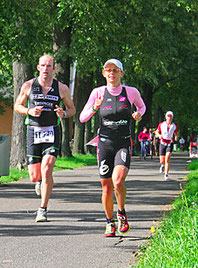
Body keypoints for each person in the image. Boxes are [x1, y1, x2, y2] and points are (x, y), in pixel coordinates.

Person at [79, 58, 146, 237]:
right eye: (108, 70)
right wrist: (95, 107)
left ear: (121, 73)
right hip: (105, 144)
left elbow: (142, 106)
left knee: (118, 180)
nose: (112, 73)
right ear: (103, 73)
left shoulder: (131, 92)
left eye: (115, 70)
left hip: (123, 142)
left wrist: (139, 115)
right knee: (107, 187)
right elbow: (82, 117)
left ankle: (121, 213)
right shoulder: (98, 92)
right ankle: (110, 223)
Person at [14, 54, 76, 222]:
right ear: (38, 67)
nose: (46, 69)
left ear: (53, 69)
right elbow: (17, 106)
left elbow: (72, 109)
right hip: (33, 132)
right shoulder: (28, 86)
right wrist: (29, 111)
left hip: (52, 131)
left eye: (49, 66)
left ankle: (42, 209)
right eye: (43, 65)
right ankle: (39, 181)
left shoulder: (61, 88)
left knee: (47, 168)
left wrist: (63, 113)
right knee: (35, 175)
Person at [155, 111, 178, 180]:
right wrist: (159, 135)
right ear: (166, 117)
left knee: (167, 158)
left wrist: (176, 137)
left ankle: (166, 174)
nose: (169, 118)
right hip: (162, 142)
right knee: (162, 160)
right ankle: (162, 165)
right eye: (168, 116)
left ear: (172, 117)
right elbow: (156, 131)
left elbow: (176, 133)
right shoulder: (161, 124)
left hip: (169, 143)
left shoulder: (174, 126)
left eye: (170, 116)